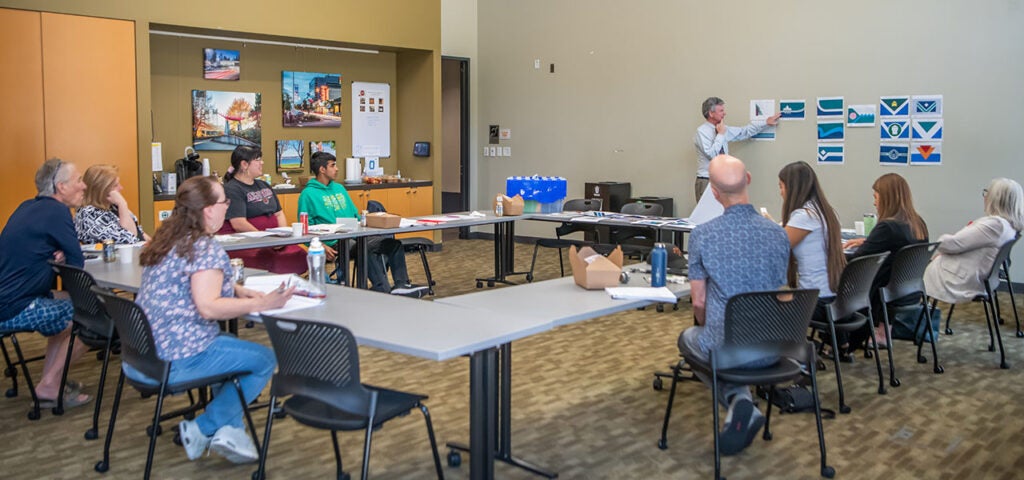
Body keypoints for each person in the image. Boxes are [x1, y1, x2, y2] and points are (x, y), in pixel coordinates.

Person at [134, 175, 294, 463]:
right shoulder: (205, 247)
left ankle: (230, 431)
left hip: (143, 354)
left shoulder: (167, 238)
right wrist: (263, 303)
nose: (227, 207)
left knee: (231, 346)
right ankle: (202, 428)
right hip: (178, 357)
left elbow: (190, 279)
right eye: (224, 202)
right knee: (265, 360)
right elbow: (208, 307)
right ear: (208, 210)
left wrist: (235, 289)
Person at [680, 154, 790, 455]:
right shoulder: (779, 234)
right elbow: (780, 291)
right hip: (774, 348)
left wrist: (709, 327)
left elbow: (699, 302)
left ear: (714, 193)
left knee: (689, 339)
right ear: (749, 179)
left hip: (727, 349)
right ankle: (741, 399)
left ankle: (738, 399)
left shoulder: (702, 235)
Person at [0, 159, 91, 408]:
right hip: (15, 306)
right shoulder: (57, 212)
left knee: (70, 306)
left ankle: (52, 382)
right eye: (78, 180)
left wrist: (53, 258)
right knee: (92, 319)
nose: (84, 186)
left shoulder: (27, 207)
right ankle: (50, 385)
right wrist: (63, 257)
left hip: (10, 298)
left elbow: (32, 251)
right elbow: (77, 264)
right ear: (61, 187)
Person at [297, 152, 426, 296]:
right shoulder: (307, 194)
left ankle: (402, 285)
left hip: (356, 236)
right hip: (334, 243)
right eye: (333, 166)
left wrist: (373, 219)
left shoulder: (339, 188)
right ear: (322, 169)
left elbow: (356, 216)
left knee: (393, 245)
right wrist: (321, 246)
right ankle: (382, 289)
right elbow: (304, 228)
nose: (337, 169)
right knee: (365, 249)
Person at [844, 173, 929, 347]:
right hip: (910, 290)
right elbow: (897, 247)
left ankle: (841, 341)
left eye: (876, 197)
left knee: (839, 280)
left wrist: (834, 254)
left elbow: (858, 260)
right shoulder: (918, 223)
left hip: (882, 292)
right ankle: (883, 332)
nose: (874, 203)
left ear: (886, 198)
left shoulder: (887, 227)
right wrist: (867, 242)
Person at [924, 178, 1023, 303]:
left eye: (987, 193)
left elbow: (949, 244)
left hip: (960, 280)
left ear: (995, 198)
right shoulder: (1009, 226)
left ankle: (922, 310)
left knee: (917, 270)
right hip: (979, 277)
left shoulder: (995, 225)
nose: (985, 197)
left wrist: (942, 239)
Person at [219, 145, 306, 274]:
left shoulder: (263, 185)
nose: (262, 162)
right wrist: (267, 240)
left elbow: (279, 213)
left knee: (302, 254)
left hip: (274, 241)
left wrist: (283, 237)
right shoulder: (232, 189)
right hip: (251, 243)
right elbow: (239, 223)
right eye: (258, 159)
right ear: (244, 164)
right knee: (276, 261)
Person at [693, 97, 781, 202]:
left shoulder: (722, 129)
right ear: (711, 113)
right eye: (721, 111)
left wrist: (765, 122)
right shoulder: (702, 132)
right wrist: (721, 135)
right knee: (707, 212)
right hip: (707, 180)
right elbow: (712, 155)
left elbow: (744, 132)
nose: (724, 113)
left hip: (723, 180)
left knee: (724, 211)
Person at [75, 164, 150, 244]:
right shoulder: (89, 214)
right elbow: (130, 239)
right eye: (115, 185)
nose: (121, 188)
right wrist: (122, 204)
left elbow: (139, 233)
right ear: (101, 189)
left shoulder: (113, 207)